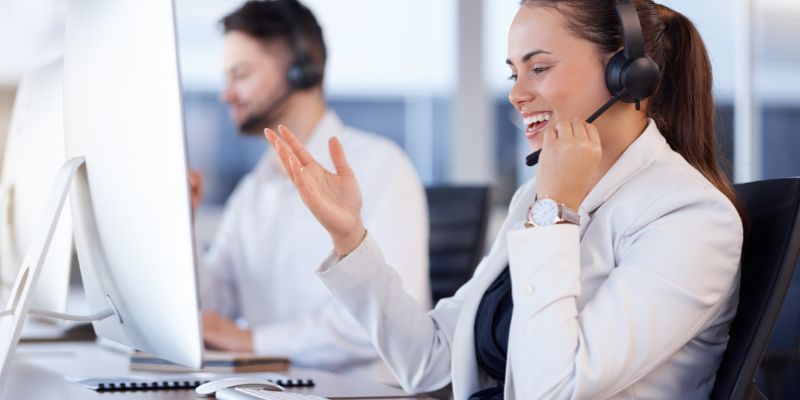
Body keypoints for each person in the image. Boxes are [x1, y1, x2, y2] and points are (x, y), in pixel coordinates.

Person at [265, 0, 744, 398]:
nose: (517, 95)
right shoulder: (533, 201)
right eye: (514, 72)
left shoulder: (690, 218)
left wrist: (554, 212)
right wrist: (350, 236)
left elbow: (553, 389)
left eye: (539, 67)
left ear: (627, 73)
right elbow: (429, 362)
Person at [196, 0, 430, 382]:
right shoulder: (253, 191)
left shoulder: (382, 167)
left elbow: (381, 325)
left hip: (363, 392)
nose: (226, 93)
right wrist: (181, 223)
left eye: (240, 75)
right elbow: (214, 307)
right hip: (271, 388)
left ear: (299, 69)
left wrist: (252, 339)